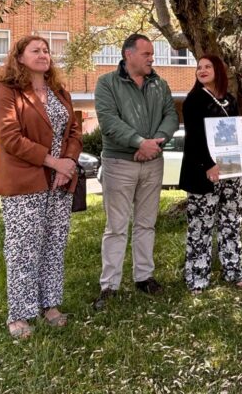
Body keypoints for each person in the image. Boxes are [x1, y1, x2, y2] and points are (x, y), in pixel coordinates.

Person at [0, 35, 82, 339]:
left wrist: (67, 163)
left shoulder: (59, 91)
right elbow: (9, 137)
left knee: (54, 244)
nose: (43, 54)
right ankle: (19, 314)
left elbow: (75, 131)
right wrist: (54, 162)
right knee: (23, 249)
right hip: (23, 182)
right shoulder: (6, 92)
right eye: (35, 50)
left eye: (46, 50)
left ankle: (50, 306)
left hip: (59, 182)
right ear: (19, 57)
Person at [93, 34, 179, 310]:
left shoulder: (160, 84)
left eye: (152, 54)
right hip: (119, 164)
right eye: (147, 54)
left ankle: (144, 277)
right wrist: (139, 142)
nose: (152, 58)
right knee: (116, 227)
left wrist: (154, 144)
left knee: (146, 224)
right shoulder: (107, 83)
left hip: (153, 163)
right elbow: (109, 122)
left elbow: (171, 117)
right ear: (128, 55)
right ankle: (109, 286)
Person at [180, 55, 242, 293]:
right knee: (201, 225)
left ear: (218, 70)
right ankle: (197, 276)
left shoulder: (230, 100)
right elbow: (195, 138)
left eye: (207, 66)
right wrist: (208, 164)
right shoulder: (193, 100)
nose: (202, 70)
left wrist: (240, 127)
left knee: (231, 221)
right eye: (199, 67)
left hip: (231, 171)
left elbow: (229, 134)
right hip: (205, 173)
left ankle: (233, 270)